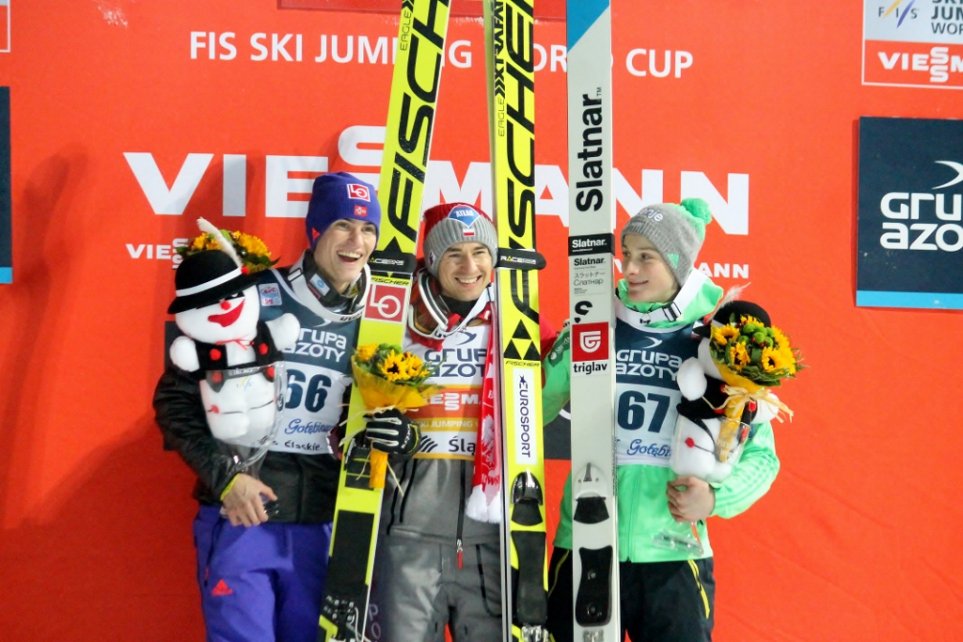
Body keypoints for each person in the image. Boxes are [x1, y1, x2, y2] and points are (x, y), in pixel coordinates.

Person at [154, 171, 399, 642]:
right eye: (342, 226)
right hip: (245, 512)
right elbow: (174, 401)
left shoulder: (384, 313)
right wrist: (226, 479)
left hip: (328, 521)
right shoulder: (253, 299)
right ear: (315, 230)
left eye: (368, 229)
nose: (357, 241)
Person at [542, 199, 781, 642]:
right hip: (586, 544)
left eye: (646, 257)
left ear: (678, 264)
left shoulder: (715, 345)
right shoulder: (593, 328)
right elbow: (531, 412)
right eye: (626, 254)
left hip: (674, 553)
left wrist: (714, 499)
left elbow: (763, 456)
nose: (629, 268)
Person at [366, 202, 504, 642]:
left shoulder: (512, 326)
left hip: (492, 543)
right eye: (454, 254)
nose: (470, 266)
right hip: (410, 535)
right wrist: (385, 434)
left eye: (480, 251)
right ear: (431, 258)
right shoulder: (393, 323)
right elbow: (344, 423)